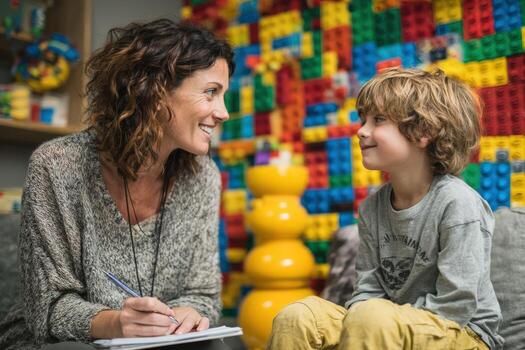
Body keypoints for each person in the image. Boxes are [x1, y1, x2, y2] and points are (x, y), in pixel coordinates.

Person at [0, 19, 235, 349]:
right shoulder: (56, 166)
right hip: (62, 341)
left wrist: (189, 313)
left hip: (157, 342)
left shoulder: (204, 176)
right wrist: (115, 324)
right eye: (211, 92)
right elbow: (48, 308)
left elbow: (203, 293)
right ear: (153, 92)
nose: (223, 112)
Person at [267, 68, 504, 349]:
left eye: (378, 120)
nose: (361, 131)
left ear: (423, 132)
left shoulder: (458, 202)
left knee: (372, 315)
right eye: (362, 119)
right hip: (388, 323)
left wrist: (380, 317)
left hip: (465, 333)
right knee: (300, 316)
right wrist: (374, 317)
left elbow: (456, 304)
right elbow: (367, 292)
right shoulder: (372, 207)